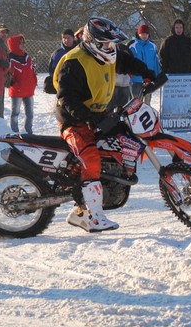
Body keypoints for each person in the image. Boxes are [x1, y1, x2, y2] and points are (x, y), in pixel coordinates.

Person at [54, 16, 159, 233]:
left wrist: (149, 74)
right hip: (74, 120)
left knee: (119, 142)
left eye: (112, 44)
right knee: (91, 158)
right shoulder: (74, 62)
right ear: (92, 41)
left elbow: (129, 62)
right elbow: (67, 97)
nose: (110, 47)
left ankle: (81, 209)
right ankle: (94, 217)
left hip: (98, 115)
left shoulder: (110, 54)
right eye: (105, 44)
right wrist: (89, 118)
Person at [6, 34, 37, 134]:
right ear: (15, 44)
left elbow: (31, 71)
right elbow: (8, 74)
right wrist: (13, 83)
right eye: (21, 43)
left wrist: (34, 81)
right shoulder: (10, 58)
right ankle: (15, 132)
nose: (23, 44)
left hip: (28, 90)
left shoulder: (27, 56)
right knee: (15, 113)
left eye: (24, 42)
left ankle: (28, 131)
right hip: (17, 90)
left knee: (30, 114)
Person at [129, 23, 160, 99]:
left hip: (149, 79)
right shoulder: (133, 46)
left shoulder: (153, 46)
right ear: (139, 34)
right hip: (136, 79)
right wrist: (129, 76)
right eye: (142, 34)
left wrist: (157, 76)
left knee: (147, 102)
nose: (144, 36)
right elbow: (129, 62)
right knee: (136, 102)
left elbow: (156, 62)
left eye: (146, 34)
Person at [44, 28, 76, 94]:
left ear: (73, 38)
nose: (66, 40)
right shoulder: (57, 54)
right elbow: (52, 70)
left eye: (69, 37)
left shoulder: (79, 51)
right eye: (64, 38)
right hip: (62, 86)